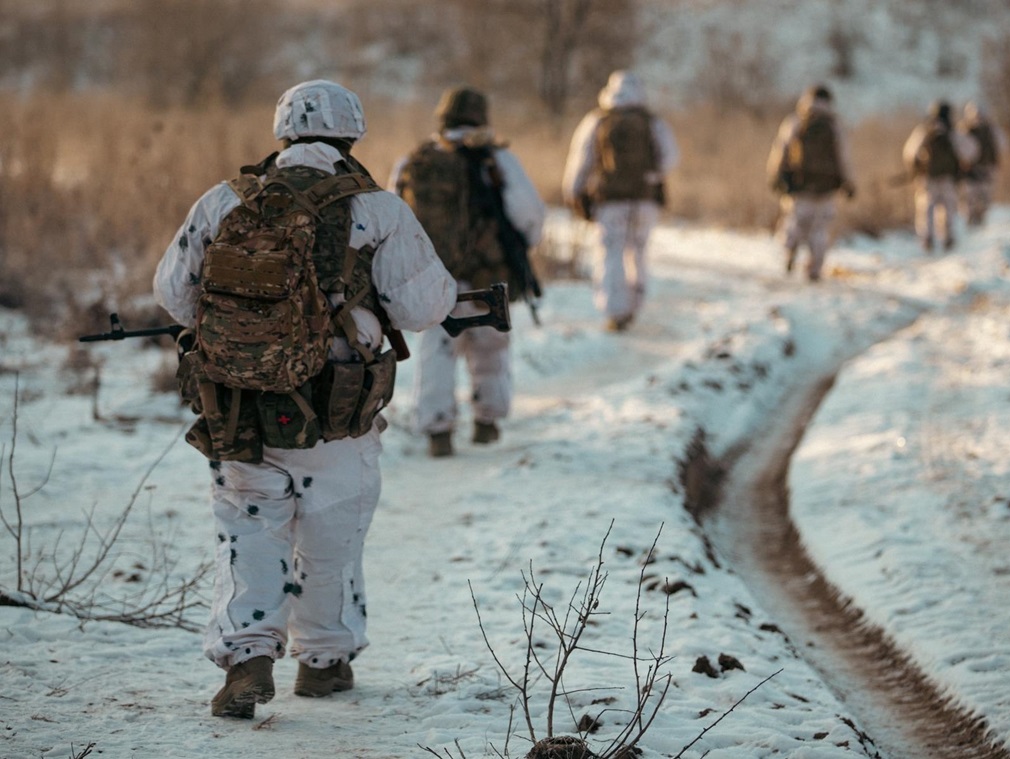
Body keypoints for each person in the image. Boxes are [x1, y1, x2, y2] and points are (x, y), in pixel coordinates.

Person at [153, 80, 458, 719]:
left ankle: (246, 661)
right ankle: (323, 662)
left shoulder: (223, 201)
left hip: (237, 406)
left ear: (282, 132)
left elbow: (174, 295)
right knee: (330, 533)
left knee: (248, 529)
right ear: (351, 135)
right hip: (336, 409)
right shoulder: (378, 209)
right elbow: (425, 306)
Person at [390, 86, 546, 457]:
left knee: (436, 351)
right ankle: (487, 423)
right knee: (490, 347)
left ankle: (437, 431)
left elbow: (391, 217)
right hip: (486, 276)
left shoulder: (414, 160)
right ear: (481, 118)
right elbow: (530, 214)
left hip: (432, 278)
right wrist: (518, 248)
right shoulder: (497, 160)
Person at [562, 70, 679, 331]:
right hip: (644, 200)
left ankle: (615, 311)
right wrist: (652, 175)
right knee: (637, 251)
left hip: (610, 201)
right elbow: (671, 157)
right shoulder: (651, 121)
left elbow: (580, 160)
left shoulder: (598, 120)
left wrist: (574, 193)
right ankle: (635, 304)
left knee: (610, 253)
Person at [766, 84, 856, 281]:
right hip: (826, 188)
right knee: (820, 229)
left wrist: (776, 175)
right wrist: (849, 182)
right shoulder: (834, 125)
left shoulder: (797, 121)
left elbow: (782, 149)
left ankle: (789, 252)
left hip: (800, 185)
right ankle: (814, 269)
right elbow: (844, 157)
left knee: (795, 223)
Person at [902, 100, 977, 252]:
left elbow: (909, 152)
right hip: (948, 179)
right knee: (948, 209)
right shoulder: (953, 133)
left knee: (926, 209)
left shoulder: (924, 130)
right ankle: (947, 237)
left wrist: (915, 169)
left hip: (927, 179)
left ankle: (926, 239)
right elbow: (971, 151)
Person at [957, 101, 1007, 226]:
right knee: (983, 197)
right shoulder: (992, 129)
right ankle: (979, 220)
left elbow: (958, 149)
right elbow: (1004, 145)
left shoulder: (964, 129)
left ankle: (972, 220)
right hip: (987, 169)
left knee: (970, 197)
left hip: (972, 169)